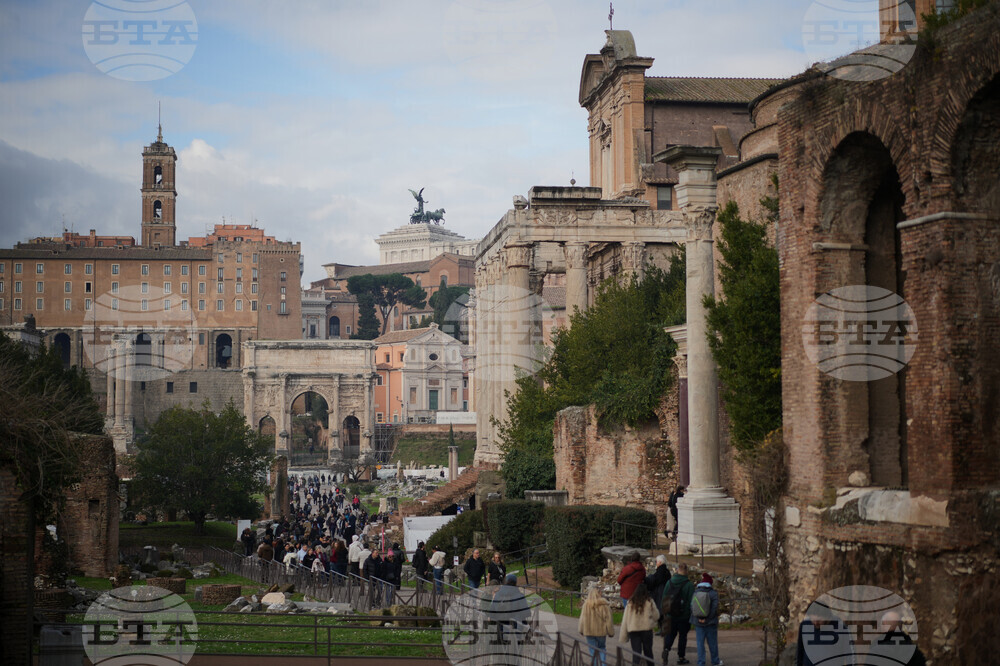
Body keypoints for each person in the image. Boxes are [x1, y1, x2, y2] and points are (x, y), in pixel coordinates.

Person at [662, 562, 695, 664]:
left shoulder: (669, 582)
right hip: (684, 616)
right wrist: (688, 613)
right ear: (686, 571)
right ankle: (681, 657)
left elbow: (665, 597)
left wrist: (665, 612)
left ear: (677, 570)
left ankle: (666, 649)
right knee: (682, 637)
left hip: (670, 614)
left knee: (670, 634)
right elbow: (691, 601)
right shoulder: (689, 585)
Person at [619, 583, 659, 666]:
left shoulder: (630, 602)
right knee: (648, 652)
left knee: (636, 653)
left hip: (634, 630)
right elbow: (656, 615)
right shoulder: (649, 601)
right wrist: (652, 621)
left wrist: (623, 635)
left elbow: (625, 619)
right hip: (646, 630)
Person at [690, 573, 722, 666]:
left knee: (700, 644)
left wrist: (699, 618)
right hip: (710, 623)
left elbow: (692, 607)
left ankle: (701, 662)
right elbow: (714, 608)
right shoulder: (713, 593)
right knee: (712, 643)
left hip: (698, 622)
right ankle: (715, 661)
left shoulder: (695, 593)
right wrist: (707, 619)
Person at [578, 587, 615, 666]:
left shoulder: (586, 605)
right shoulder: (605, 605)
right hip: (601, 632)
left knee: (592, 650)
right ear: (600, 594)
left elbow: (582, 619)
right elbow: (609, 620)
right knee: (602, 648)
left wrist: (581, 630)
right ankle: (603, 664)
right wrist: (611, 632)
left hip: (589, 631)